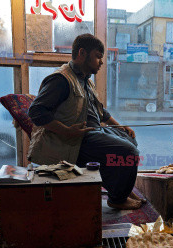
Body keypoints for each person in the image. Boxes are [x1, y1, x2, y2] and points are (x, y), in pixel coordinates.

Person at [28, 34, 144, 210]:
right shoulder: (60, 80)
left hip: (93, 132)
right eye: (98, 56)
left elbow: (100, 111)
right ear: (82, 53)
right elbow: (36, 112)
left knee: (129, 139)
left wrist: (121, 126)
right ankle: (117, 199)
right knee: (129, 152)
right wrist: (67, 131)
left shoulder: (85, 80)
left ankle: (119, 188)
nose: (101, 62)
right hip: (73, 141)